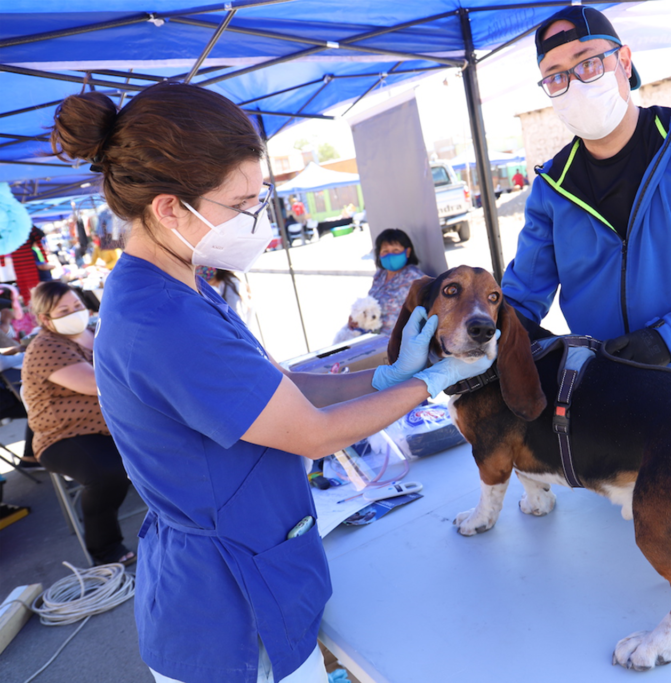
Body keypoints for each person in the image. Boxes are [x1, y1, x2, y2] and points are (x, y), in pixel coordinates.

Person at [51, 82, 495, 683]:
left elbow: (280, 389)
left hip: (250, 562)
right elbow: (312, 434)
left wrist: (386, 375)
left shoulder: (185, 283)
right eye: (240, 206)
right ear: (169, 208)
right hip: (226, 606)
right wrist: (436, 380)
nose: (256, 222)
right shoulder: (163, 321)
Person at [501, 6, 671, 401]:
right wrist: (474, 331)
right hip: (604, 401)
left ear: (623, 62)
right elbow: (522, 298)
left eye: (589, 64)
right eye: (556, 77)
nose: (574, 84)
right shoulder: (552, 187)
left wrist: (667, 339)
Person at [20, 281, 135, 564]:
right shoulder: (45, 347)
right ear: (45, 319)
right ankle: (104, 548)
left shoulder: (94, 332)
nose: (75, 313)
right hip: (63, 436)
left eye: (77, 307)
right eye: (64, 310)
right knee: (106, 473)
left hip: (110, 425)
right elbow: (96, 383)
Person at [344, 228, 426, 339]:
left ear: (407, 252)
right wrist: (357, 319)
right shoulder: (380, 275)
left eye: (395, 250)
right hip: (374, 339)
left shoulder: (415, 278)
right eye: (385, 251)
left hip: (399, 343)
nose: (390, 255)